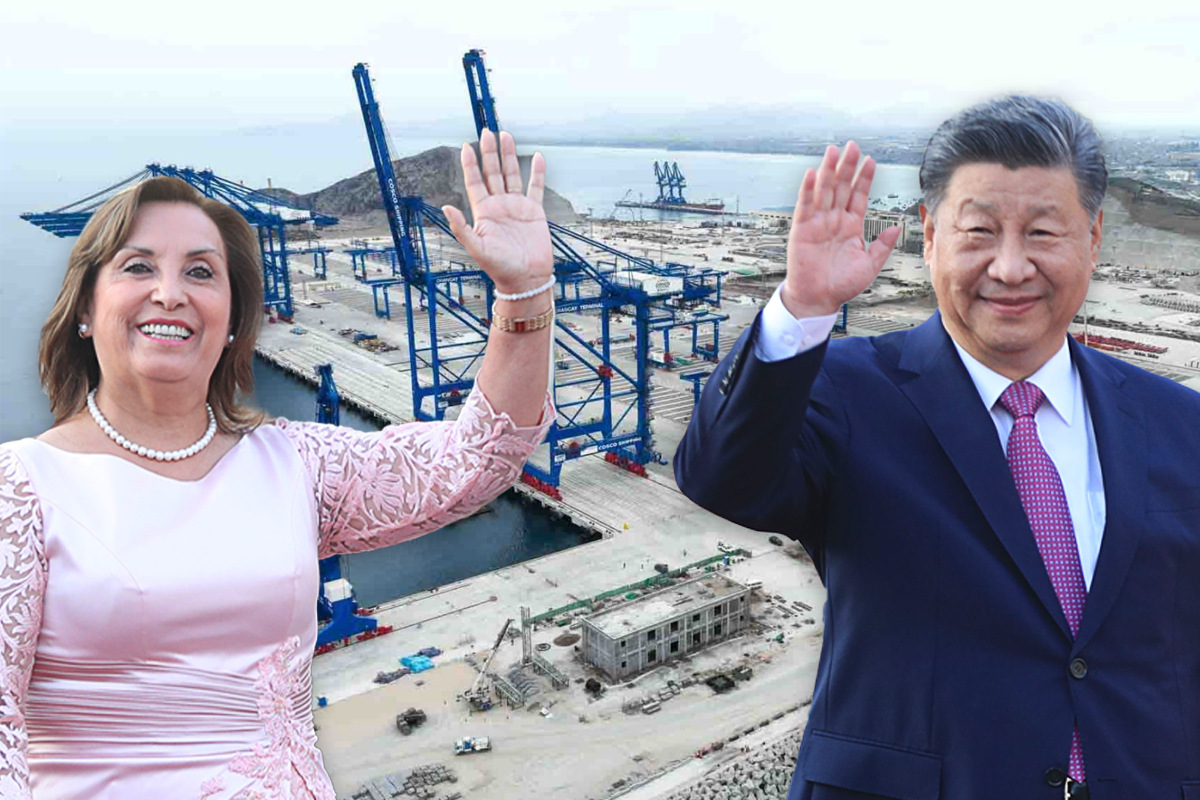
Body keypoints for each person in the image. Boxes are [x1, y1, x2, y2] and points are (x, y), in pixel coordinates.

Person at [0, 130, 556, 799]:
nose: (170, 293)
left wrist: (525, 295)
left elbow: (475, 460)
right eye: (138, 267)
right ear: (85, 309)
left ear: (234, 319)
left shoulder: (294, 464)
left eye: (201, 272)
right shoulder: (20, 492)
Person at [674, 96, 1200, 799]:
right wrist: (802, 308)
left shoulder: (1179, 422)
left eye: (1043, 233)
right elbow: (722, 477)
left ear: (1094, 238)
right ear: (928, 235)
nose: (1010, 267)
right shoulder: (846, 393)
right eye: (978, 231)